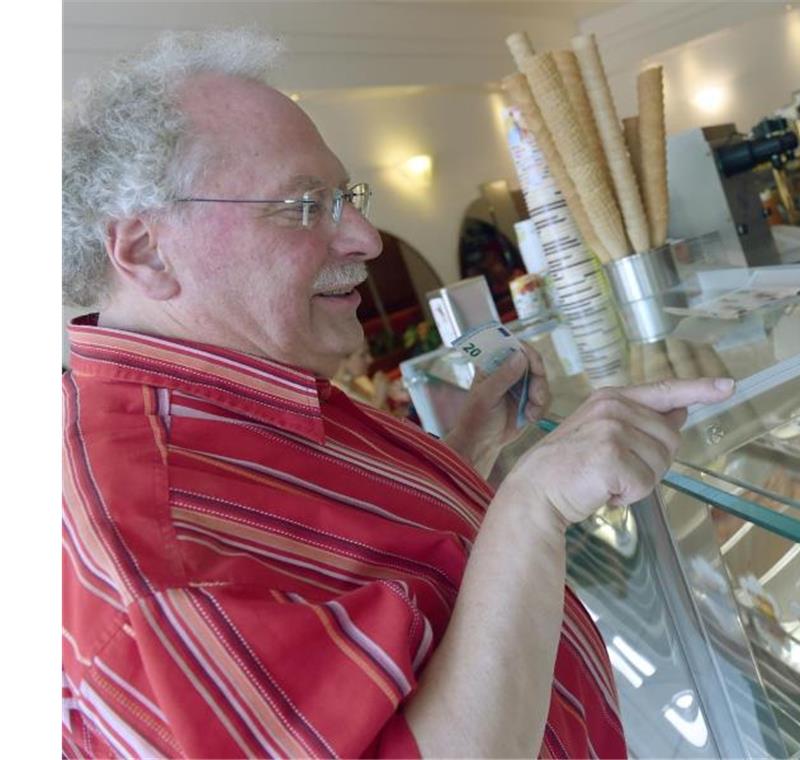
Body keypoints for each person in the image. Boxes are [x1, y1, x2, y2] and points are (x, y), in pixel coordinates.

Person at [61, 28, 734, 758]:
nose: (366, 240)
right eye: (304, 205)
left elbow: (364, 575)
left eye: (344, 197)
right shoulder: (153, 562)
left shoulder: (227, 384)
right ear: (145, 250)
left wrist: (467, 450)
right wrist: (532, 504)